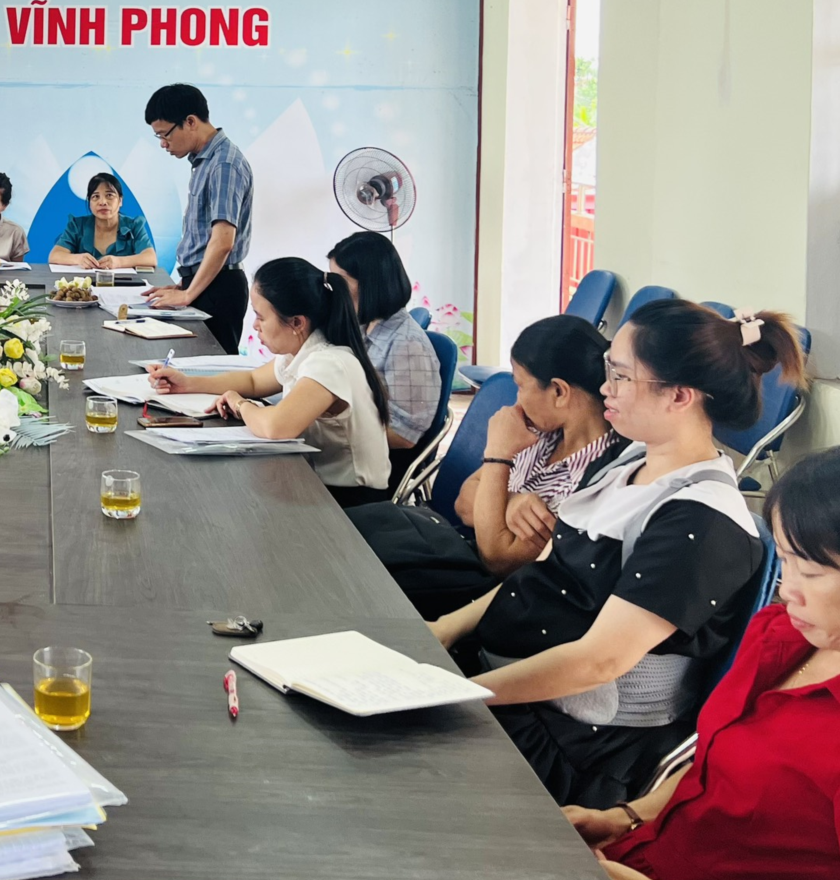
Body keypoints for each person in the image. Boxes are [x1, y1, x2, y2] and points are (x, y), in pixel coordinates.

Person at [430, 299, 801, 807]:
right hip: (510, 686)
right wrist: (443, 629)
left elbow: (598, 662)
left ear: (680, 396)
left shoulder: (703, 521)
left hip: (572, 742)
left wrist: (463, 695)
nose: (605, 388)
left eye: (622, 376)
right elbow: (545, 569)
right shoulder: (626, 459)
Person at [567, 444, 840, 880]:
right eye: (786, 561)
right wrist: (623, 818)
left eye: (811, 572)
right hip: (643, 858)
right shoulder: (781, 635)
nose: (787, 589)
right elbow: (710, 769)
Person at [349, 315, 626, 617]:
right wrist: (510, 502)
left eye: (520, 386)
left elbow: (498, 558)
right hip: (460, 554)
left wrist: (497, 455)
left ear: (559, 392)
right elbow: (464, 501)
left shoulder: (595, 478)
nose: (517, 400)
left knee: (358, 578)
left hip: (493, 599)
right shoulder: (541, 432)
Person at [147, 258, 391, 505]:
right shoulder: (302, 350)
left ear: (297, 322)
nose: (255, 326)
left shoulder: (329, 363)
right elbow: (253, 381)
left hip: (354, 503)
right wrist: (188, 383)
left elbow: (276, 427)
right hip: (319, 483)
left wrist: (240, 404)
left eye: (260, 317)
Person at [143, 84, 253, 354]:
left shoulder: (224, 164)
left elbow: (223, 242)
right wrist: (186, 284)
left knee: (212, 371)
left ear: (190, 122)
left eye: (165, 134)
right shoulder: (204, 161)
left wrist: (189, 295)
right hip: (205, 282)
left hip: (220, 288)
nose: (163, 143)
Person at [328, 230, 444, 481]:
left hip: (379, 467)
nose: (335, 291)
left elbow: (403, 436)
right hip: (355, 452)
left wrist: (327, 434)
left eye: (341, 282)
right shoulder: (363, 325)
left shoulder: (407, 345)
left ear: (371, 284)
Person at [51, 172, 157, 269]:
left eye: (109, 195)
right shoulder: (77, 225)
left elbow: (150, 258)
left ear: (120, 201)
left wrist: (119, 262)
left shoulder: (134, 225)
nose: (102, 202)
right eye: (96, 196)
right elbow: (55, 255)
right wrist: (78, 259)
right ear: (89, 202)